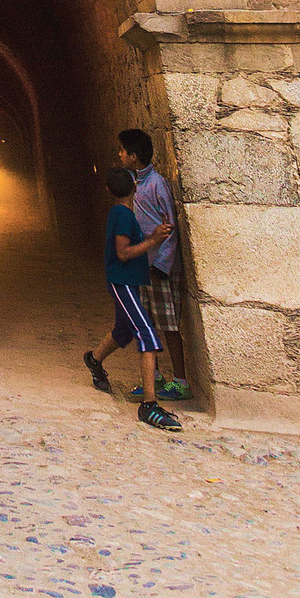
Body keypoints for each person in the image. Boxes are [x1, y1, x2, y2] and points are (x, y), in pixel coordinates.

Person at [84, 167, 181, 431]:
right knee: (147, 334)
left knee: (123, 330)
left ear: (108, 190)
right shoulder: (124, 215)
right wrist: (154, 240)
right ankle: (149, 405)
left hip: (127, 281)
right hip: (123, 281)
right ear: (135, 187)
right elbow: (123, 252)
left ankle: (94, 359)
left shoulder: (120, 213)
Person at [119, 128, 190, 401]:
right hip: (141, 264)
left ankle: (181, 381)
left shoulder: (156, 184)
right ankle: (156, 377)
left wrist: (162, 264)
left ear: (134, 156)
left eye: (123, 151)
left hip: (159, 267)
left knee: (169, 325)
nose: (119, 155)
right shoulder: (134, 183)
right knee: (146, 323)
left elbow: (169, 225)